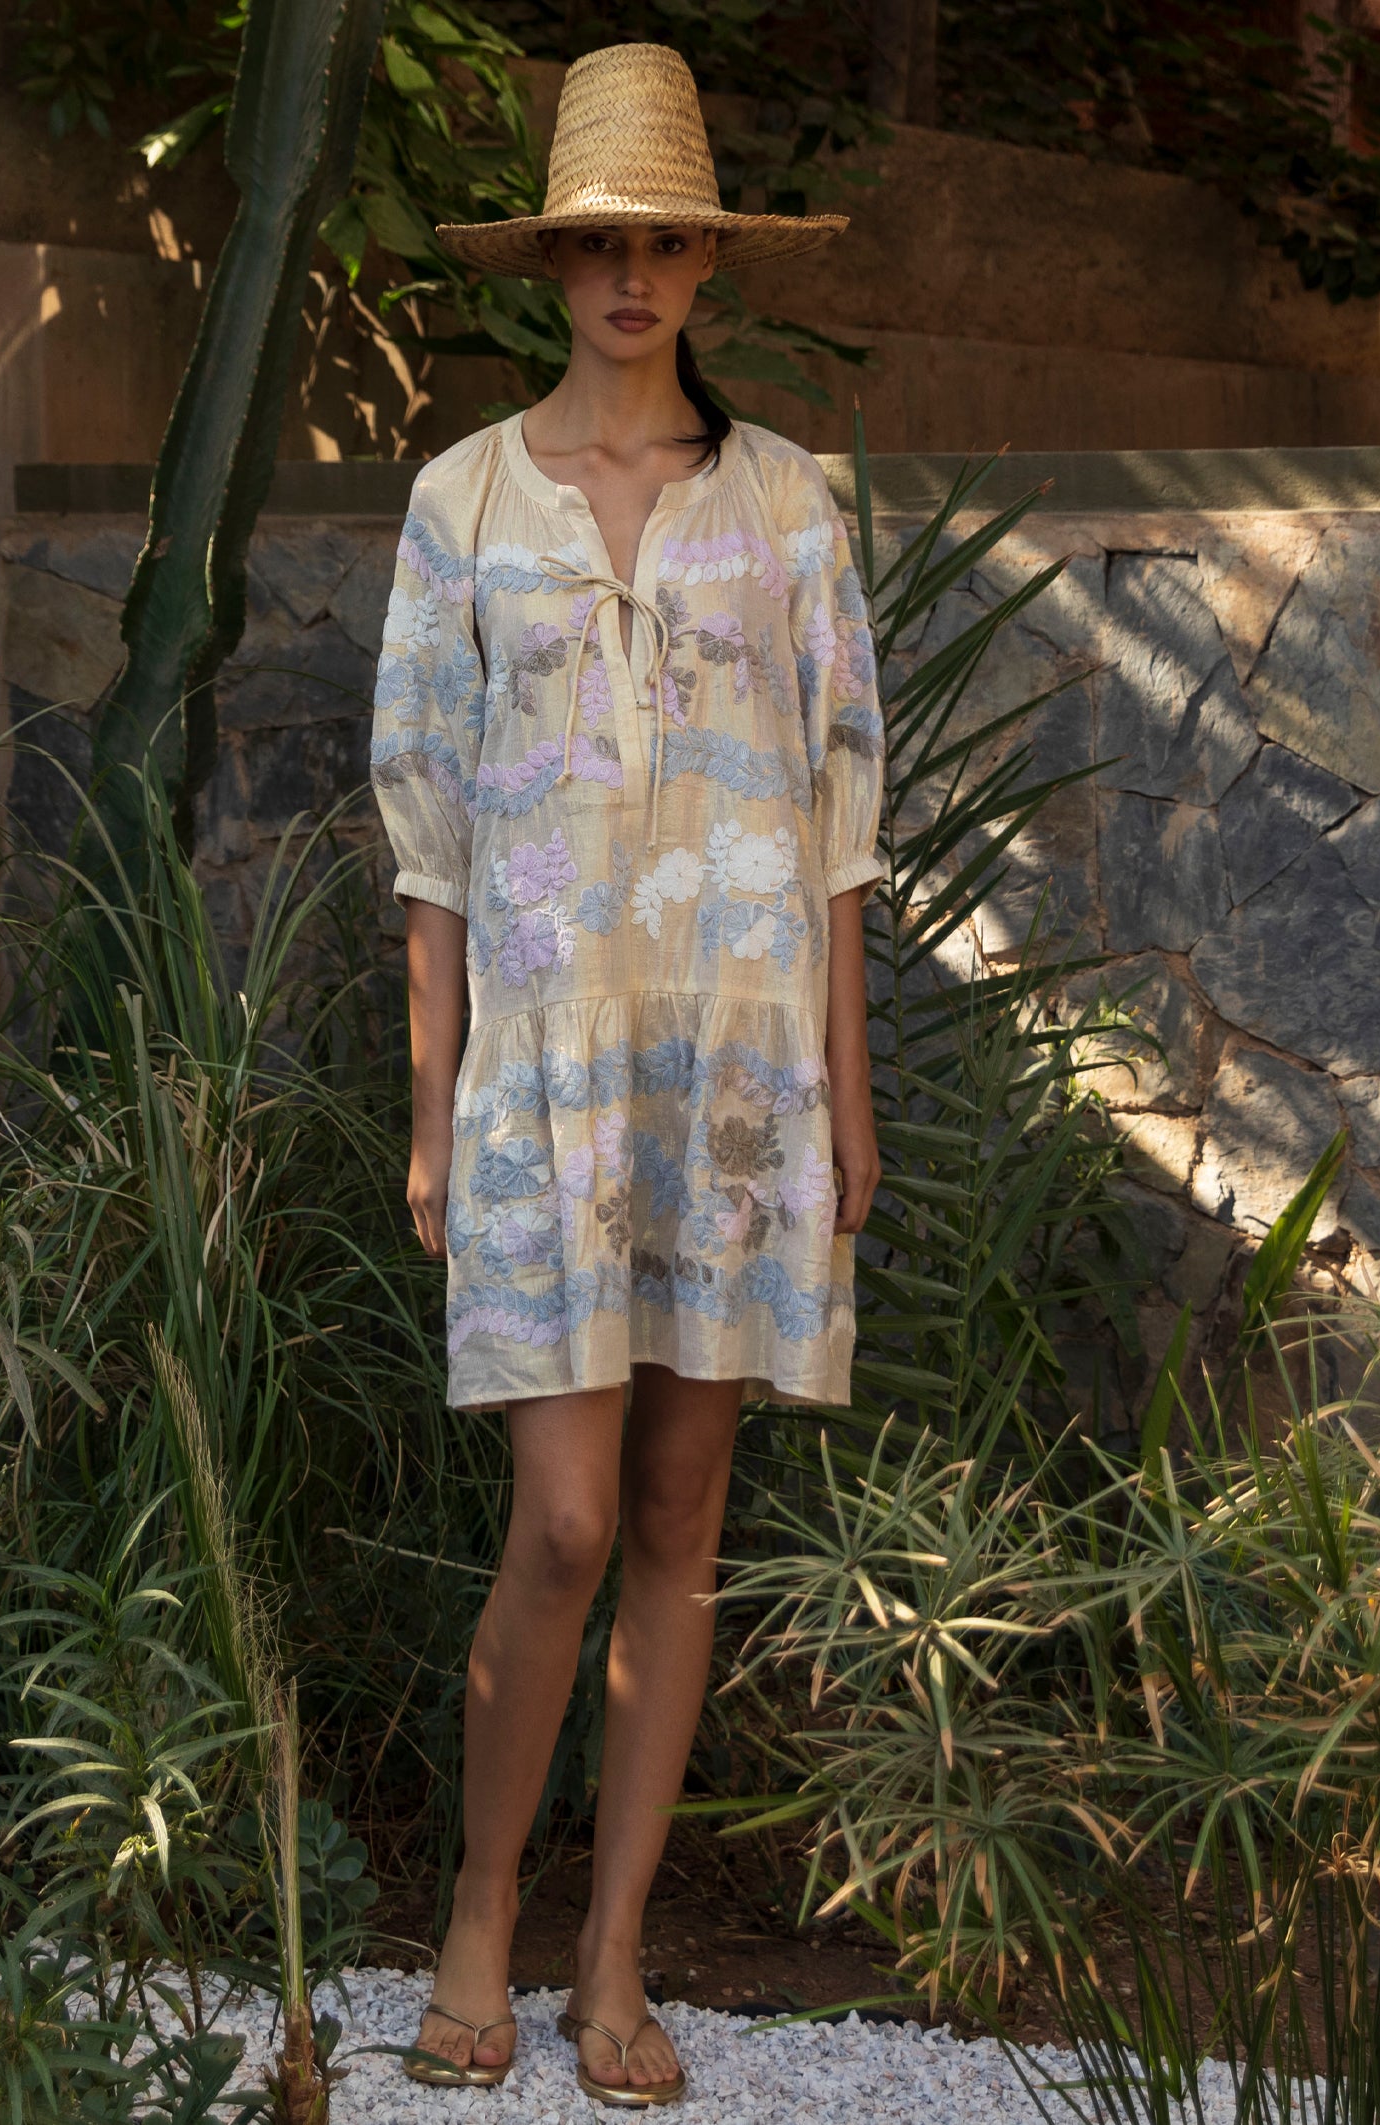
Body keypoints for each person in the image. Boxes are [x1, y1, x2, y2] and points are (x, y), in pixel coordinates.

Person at [369, 40, 880, 2108]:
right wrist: (431, 1105)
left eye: (665, 240)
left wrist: (851, 1097)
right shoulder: (462, 504)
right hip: (549, 1078)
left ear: (706, 263)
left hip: (740, 1078)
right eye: (599, 242)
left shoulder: (786, 507)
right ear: (552, 262)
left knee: (678, 1519)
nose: (632, 275)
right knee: (564, 1522)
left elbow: (844, 821)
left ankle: (609, 1961)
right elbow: (425, 835)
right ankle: (478, 1904)